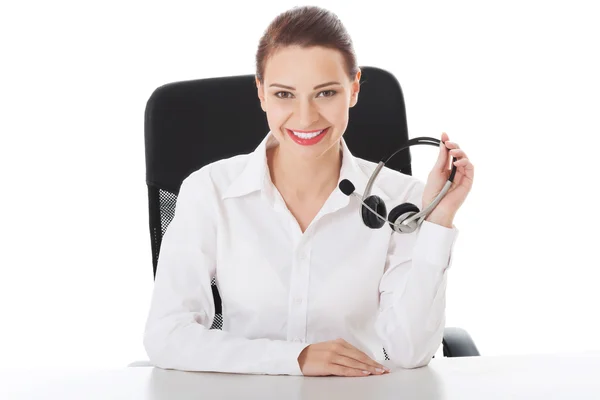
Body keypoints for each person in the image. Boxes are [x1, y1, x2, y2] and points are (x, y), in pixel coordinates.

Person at [142, 5, 474, 377]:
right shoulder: (210, 191)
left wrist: (438, 223)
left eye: (325, 93)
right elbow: (167, 335)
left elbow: (409, 352)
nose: (305, 117)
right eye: (284, 94)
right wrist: (294, 359)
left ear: (354, 89)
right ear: (261, 93)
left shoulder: (400, 202)